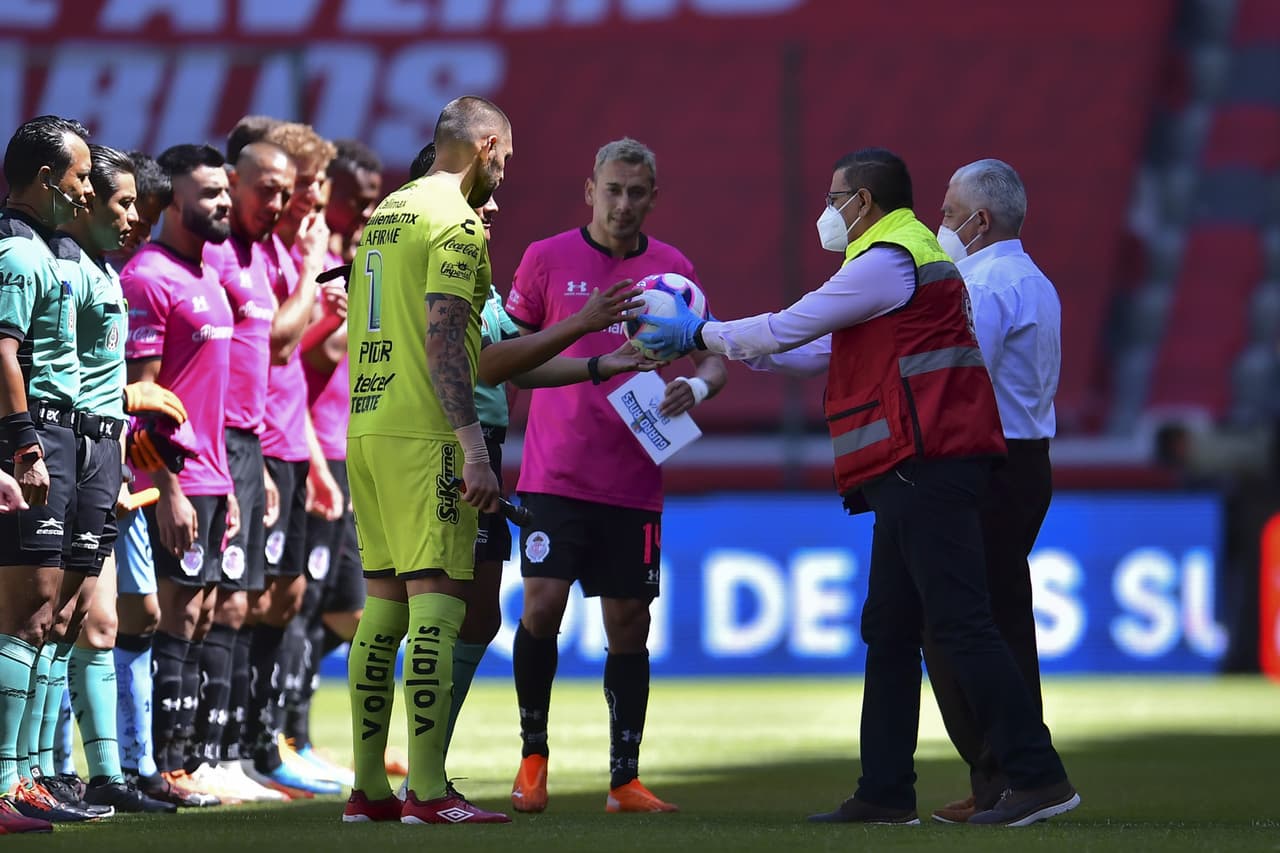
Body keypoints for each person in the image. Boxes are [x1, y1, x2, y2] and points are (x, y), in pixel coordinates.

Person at [638, 147, 1079, 827]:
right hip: (914, 462)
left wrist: (701, 332)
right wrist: (725, 345)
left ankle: (1034, 775)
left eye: (833, 196)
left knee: (959, 622)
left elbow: (796, 327)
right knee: (896, 627)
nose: (827, 209)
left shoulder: (890, 259)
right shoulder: (897, 260)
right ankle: (886, 789)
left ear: (863, 202)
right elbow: (814, 346)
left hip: (926, 458)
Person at [400, 143, 651, 793]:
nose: (493, 205)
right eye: (481, 193)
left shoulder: (471, 273)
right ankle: (411, 775)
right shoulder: (433, 267)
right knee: (429, 611)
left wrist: (599, 364)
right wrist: (586, 329)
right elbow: (483, 363)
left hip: (477, 446)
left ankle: (417, 772)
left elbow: (506, 359)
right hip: (445, 446)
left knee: (474, 615)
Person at [505, 137, 727, 815]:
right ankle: (533, 755)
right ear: (589, 189)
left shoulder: (673, 272)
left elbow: (715, 356)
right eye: (613, 189)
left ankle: (623, 778)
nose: (624, 203)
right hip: (554, 472)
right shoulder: (545, 259)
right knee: (541, 605)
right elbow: (508, 358)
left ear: (653, 197)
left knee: (629, 624)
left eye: (637, 192)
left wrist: (699, 387)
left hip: (632, 478)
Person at [341, 95, 515, 825]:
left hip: (367, 424)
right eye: (506, 153)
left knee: (382, 607)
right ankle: (429, 789)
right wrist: (474, 446)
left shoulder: (388, 211)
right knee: (438, 603)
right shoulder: (457, 221)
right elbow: (446, 340)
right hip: (425, 432)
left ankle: (370, 791)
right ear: (482, 146)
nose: (508, 169)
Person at [924, 158, 1062, 823]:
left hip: (989, 465)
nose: (939, 222)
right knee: (1002, 622)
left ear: (978, 221)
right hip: (1025, 459)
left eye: (948, 212)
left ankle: (1011, 772)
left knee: (955, 625)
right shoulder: (1032, 279)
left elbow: (957, 370)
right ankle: (1005, 778)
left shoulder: (985, 284)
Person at [46, 144, 177, 814]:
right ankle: (39, 771)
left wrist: (121, 424)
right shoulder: (54, 263)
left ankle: (101, 775)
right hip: (63, 452)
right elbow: (52, 375)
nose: (133, 218)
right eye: (123, 203)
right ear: (85, 197)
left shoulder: (100, 267)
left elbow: (89, 376)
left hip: (99, 456)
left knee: (92, 624)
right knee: (50, 619)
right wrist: (128, 399)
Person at [120, 142, 237, 807]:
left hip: (215, 478)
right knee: (175, 618)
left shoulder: (209, 273)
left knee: (200, 616)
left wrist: (225, 486)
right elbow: (140, 401)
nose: (223, 202)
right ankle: (162, 764)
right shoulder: (148, 277)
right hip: (176, 480)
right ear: (173, 202)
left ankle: (182, 760)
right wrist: (167, 488)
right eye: (210, 193)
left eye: (225, 191)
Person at [197, 139, 311, 802]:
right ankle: (196, 755)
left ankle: (236, 751)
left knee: (241, 602)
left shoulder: (263, 252)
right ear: (231, 180)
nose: (276, 203)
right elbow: (288, 344)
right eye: (263, 188)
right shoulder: (209, 253)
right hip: (213, 444)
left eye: (285, 192)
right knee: (204, 605)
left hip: (253, 445)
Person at [0, 114, 100, 829]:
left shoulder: (42, 249)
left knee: (43, 618)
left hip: (58, 436)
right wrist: (25, 445)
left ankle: (27, 775)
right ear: (45, 179)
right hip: (35, 435)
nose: (87, 190)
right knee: (25, 613)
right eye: (81, 176)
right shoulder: (15, 254)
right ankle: (6, 782)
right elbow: (3, 355)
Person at [238, 122, 341, 797]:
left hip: (288, 443)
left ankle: (268, 742)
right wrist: (312, 275)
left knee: (288, 598)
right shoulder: (264, 253)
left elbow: (301, 360)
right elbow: (282, 346)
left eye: (308, 188)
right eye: (303, 187)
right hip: (257, 443)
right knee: (245, 602)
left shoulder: (285, 249)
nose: (305, 201)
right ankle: (239, 746)